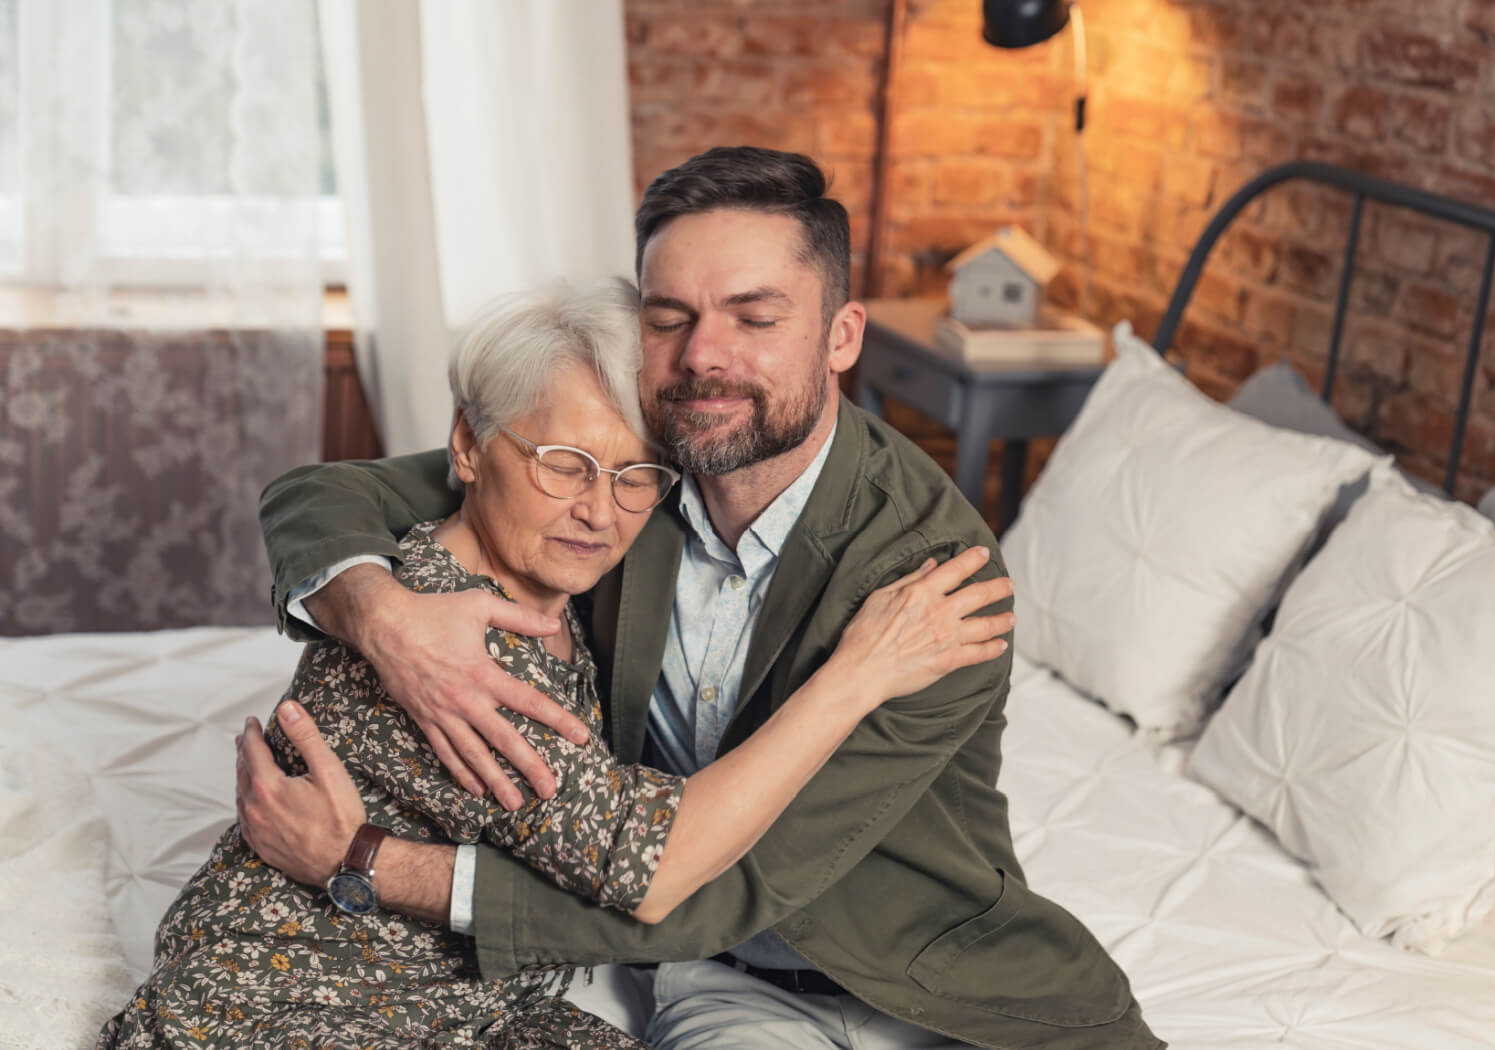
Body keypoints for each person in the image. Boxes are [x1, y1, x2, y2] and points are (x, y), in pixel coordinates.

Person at [245, 147, 1163, 1049]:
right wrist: (386, 618)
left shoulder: (931, 582)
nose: (703, 356)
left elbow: (720, 882)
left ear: (842, 337)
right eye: (669, 317)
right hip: (731, 984)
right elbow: (320, 497)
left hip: (933, 983)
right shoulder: (628, 478)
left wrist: (372, 865)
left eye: (754, 317)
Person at [97, 280, 1012, 1050]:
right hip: (300, 1010)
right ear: (466, 446)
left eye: (634, 475)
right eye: (564, 464)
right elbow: (650, 864)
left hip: (457, 999)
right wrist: (860, 671)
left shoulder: (550, 582)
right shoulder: (456, 647)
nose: (599, 512)